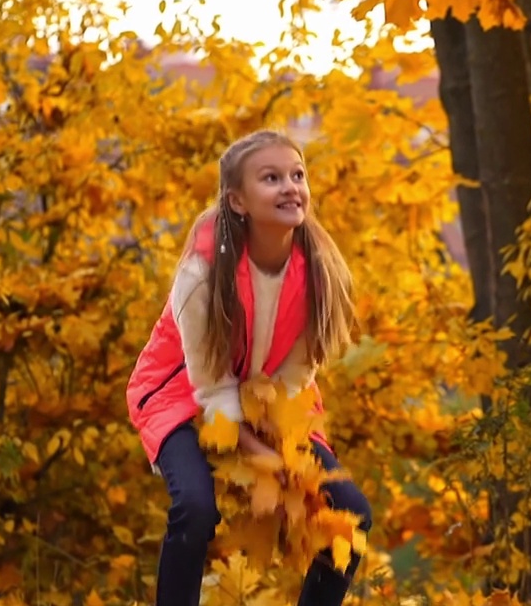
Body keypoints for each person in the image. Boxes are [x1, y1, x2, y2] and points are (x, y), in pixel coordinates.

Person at [126, 130, 373, 606]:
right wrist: (262, 455)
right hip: (182, 394)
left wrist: (283, 454)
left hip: (269, 398)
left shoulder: (317, 270)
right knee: (196, 509)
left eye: (297, 175)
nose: (290, 187)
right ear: (237, 201)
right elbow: (211, 392)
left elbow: (295, 377)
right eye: (271, 178)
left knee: (350, 512)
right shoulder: (201, 274)